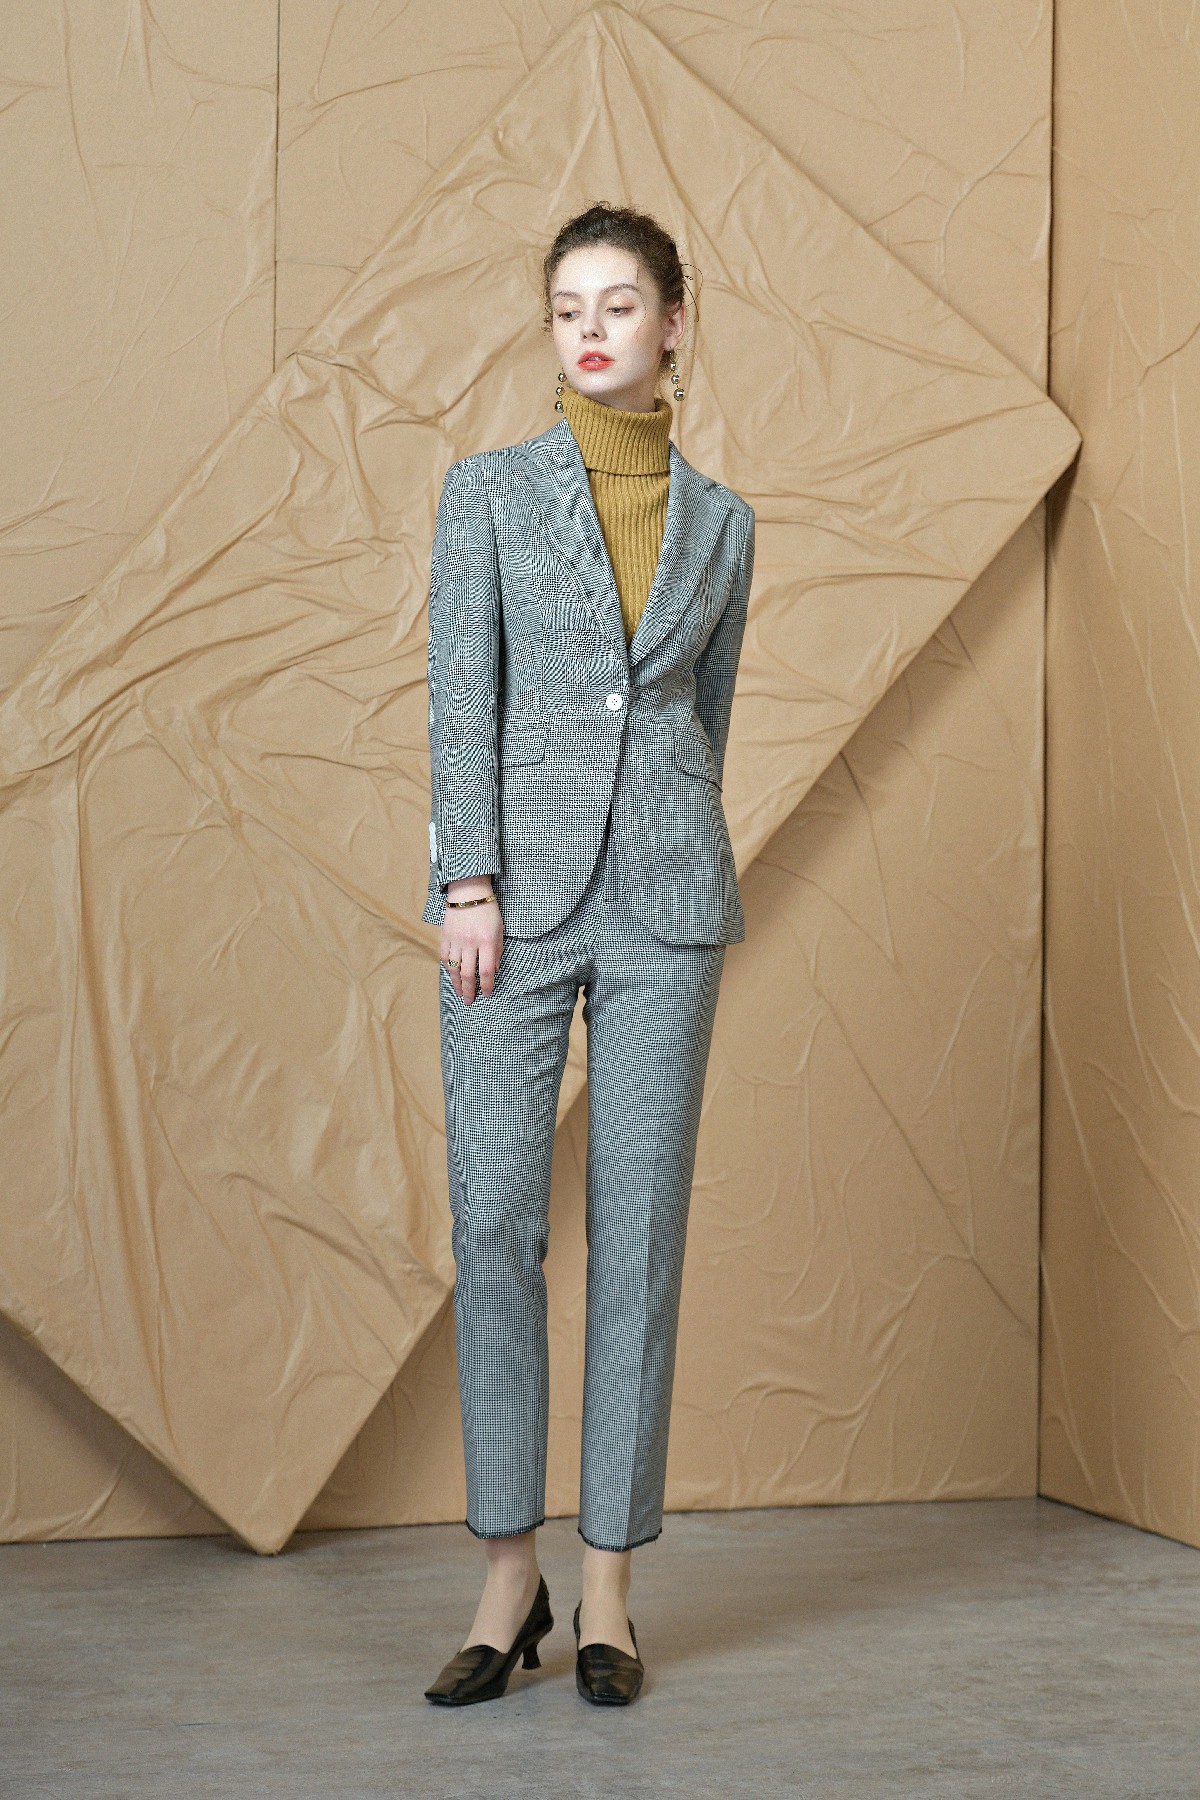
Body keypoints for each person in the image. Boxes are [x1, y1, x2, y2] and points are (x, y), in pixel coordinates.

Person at [421, 201, 755, 1707]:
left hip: (668, 909)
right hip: (511, 906)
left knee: (639, 1234)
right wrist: (468, 877)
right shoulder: (488, 493)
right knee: (496, 1222)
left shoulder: (726, 523)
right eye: (568, 309)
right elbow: (459, 692)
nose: (592, 330)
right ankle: (512, 1579)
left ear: (674, 324)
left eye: (620, 305)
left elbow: (704, 722)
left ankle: (609, 1587)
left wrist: (668, 849)